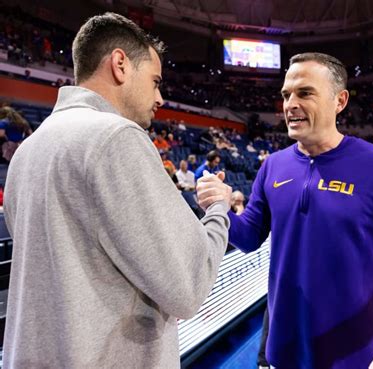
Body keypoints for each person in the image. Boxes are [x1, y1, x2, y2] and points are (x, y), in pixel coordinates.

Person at [3, 13, 232, 369]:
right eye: (155, 81)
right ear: (121, 64)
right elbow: (188, 287)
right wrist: (218, 209)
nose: (159, 97)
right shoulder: (116, 137)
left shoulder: (29, 151)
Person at [199, 52, 373, 369]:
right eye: (286, 95)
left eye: (305, 93)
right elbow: (249, 236)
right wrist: (220, 206)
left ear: (340, 100)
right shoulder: (273, 166)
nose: (290, 104)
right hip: (283, 354)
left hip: (360, 359)